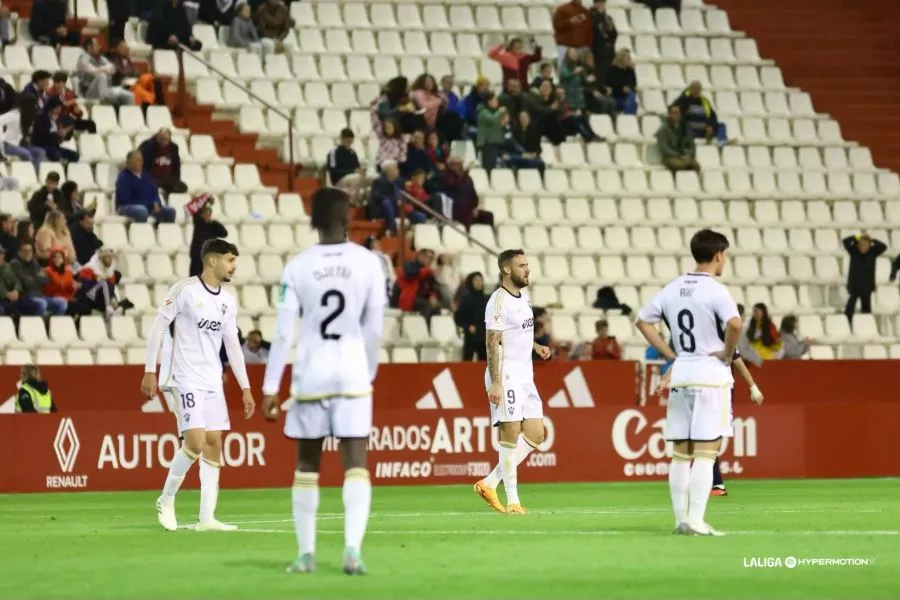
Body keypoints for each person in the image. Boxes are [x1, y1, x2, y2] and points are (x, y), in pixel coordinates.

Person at [260, 188, 387, 575]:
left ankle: (306, 555)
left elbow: (283, 334)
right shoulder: (369, 263)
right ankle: (352, 551)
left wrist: (270, 386)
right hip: (351, 373)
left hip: (310, 374)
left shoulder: (298, 266)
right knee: (356, 464)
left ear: (312, 219)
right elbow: (374, 329)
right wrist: (367, 373)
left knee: (306, 465)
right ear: (348, 218)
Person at [634, 229, 743, 536]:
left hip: (682, 374)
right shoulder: (716, 290)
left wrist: (672, 353)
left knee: (681, 454)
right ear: (719, 255)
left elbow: (642, 321)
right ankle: (696, 520)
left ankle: (681, 520)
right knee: (707, 453)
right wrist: (725, 351)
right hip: (710, 376)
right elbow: (735, 323)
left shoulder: (672, 288)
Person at [141, 238, 255, 532]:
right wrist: (149, 370)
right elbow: (158, 328)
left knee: (215, 441)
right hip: (183, 377)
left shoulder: (228, 301)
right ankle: (166, 499)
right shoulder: (185, 290)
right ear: (212, 260)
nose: (234, 266)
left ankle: (207, 518)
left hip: (212, 380)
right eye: (230, 260)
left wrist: (245, 387)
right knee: (195, 442)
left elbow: (232, 345)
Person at [473, 250, 552, 515]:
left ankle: (489, 482)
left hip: (525, 375)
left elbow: (517, 333)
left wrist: (536, 346)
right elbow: (491, 341)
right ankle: (513, 501)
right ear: (507, 270)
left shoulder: (524, 297)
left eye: (527, 264)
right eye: (522, 265)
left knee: (536, 433)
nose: (527, 269)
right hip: (505, 375)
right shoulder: (498, 301)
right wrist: (495, 382)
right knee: (510, 432)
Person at [655, 348, 764, 497]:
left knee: (707, 434)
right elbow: (682, 360)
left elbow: (737, 361)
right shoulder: (697, 336)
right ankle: (713, 482)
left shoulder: (723, 334)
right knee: (700, 435)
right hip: (699, 389)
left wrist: (753, 387)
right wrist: (665, 379)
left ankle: (712, 482)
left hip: (720, 390)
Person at [115, 151, 177, 223]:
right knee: (141, 211)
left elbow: (154, 192)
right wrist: (150, 204)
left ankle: (161, 232)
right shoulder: (123, 177)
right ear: (129, 162)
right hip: (126, 207)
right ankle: (140, 233)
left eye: (141, 160)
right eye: (137, 160)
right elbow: (126, 200)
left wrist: (156, 202)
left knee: (170, 211)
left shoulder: (146, 176)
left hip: (148, 206)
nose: (140, 162)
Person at [843, 233, 886, 323]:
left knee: (866, 309)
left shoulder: (873, 252)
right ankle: (848, 323)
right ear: (858, 245)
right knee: (850, 308)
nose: (863, 247)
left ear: (869, 246)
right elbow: (845, 241)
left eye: (866, 245)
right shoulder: (853, 251)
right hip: (854, 285)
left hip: (867, 286)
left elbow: (883, 246)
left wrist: (872, 239)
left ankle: (866, 325)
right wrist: (856, 237)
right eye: (861, 245)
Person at [139, 128, 187, 196]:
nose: (163, 141)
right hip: (152, 178)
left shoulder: (174, 147)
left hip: (167, 179)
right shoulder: (148, 146)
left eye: (165, 139)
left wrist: (175, 178)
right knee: (150, 184)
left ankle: (163, 191)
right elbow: (141, 165)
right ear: (157, 136)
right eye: (161, 138)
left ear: (170, 139)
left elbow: (176, 166)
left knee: (183, 187)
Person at [454, 271, 488, 361]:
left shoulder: (488, 299)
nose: (479, 282)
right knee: (467, 362)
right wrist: (468, 326)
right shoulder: (466, 299)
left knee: (485, 364)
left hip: (485, 336)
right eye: (476, 280)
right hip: (471, 336)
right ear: (471, 283)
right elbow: (458, 317)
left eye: (480, 280)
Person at [656, 105, 699, 172]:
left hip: (685, 156)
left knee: (695, 165)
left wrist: (688, 155)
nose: (677, 115)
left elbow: (691, 144)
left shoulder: (686, 127)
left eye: (678, 113)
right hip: (670, 157)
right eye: (674, 113)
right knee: (681, 166)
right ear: (669, 114)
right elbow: (664, 148)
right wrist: (678, 155)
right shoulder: (663, 129)